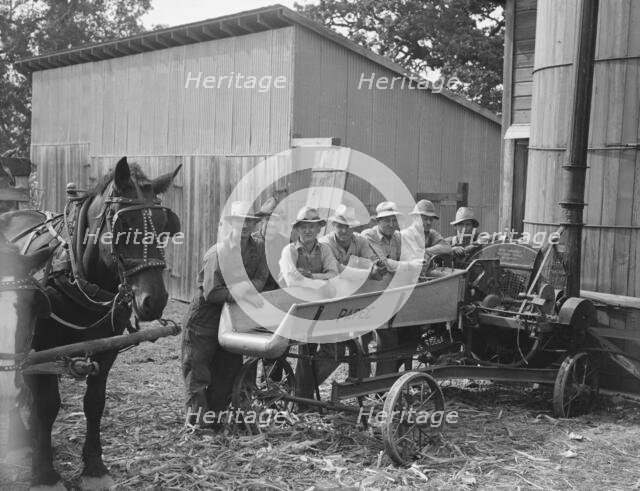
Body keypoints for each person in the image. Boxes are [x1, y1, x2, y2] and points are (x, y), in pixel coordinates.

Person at [181, 201, 268, 428]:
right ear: (232, 224)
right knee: (198, 372)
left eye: (250, 221)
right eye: (240, 221)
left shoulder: (258, 249)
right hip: (205, 317)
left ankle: (216, 419)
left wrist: (246, 290)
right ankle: (200, 425)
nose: (245, 225)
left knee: (228, 370)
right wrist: (239, 293)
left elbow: (261, 277)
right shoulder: (217, 252)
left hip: (234, 317)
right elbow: (211, 292)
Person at [278, 206, 340, 400]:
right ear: (297, 229)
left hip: (321, 308)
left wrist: (311, 276)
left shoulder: (325, 249)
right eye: (303, 226)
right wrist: (321, 284)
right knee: (304, 352)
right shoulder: (289, 250)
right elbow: (292, 281)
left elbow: (334, 276)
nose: (307, 231)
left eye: (312, 227)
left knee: (334, 354)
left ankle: (302, 392)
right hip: (292, 308)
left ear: (319, 229)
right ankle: (298, 396)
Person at [361, 201, 425, 374]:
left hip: (390, 293)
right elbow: (385, 264)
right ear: (377, 221)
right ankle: (362, 382)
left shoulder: (397, 236)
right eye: (386, 220)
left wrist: (415, 261)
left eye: (394, 220)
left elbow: (410, 256)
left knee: (391, 339)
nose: (391, 224)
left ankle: (382, 385)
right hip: (367, 293)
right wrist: (411, 265)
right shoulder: (368, 236)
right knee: (362, 341)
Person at [400, 199, 452, 271]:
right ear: (414, 218)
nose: (429, 222)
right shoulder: (405, 235)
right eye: (425, 219)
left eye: (431, 219)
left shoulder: (431, 233)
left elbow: (447, 247)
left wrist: (426, 251)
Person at [253, 197, 290, 291]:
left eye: (277, 220)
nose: (272, 224)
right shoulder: (250, 242)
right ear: (261, 220)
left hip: (279, 295)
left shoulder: (286, 243)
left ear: (281, 222)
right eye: (269, 219)